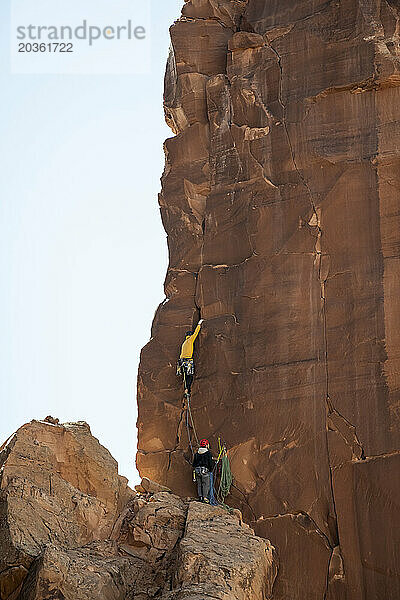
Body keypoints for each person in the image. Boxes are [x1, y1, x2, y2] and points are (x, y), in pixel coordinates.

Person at [177, 319, 203, 395]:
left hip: (181, 361)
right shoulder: (190, 340)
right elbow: (196, 333)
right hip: (187, 361)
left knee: (185, 375)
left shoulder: (184, 343)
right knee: (189, 376)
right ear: (190, 336)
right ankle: (187, 389)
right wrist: (199, 324)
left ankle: (186, 388)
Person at [193, 439, 214, 503]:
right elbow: (210, 464)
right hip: (204, 471)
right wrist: (211, 470)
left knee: (199, 484)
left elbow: (194, 464)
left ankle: (200, 497)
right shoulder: (208, 453)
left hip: (197, 471)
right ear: (206, 445)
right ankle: (205, 497)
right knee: (205, 484)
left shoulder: (197, 453)